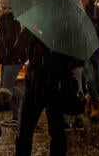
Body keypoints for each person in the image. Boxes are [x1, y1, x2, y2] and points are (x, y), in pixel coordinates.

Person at [13, 28, 76, 156]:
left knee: (26, 128)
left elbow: (19, 52)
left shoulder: (35, 24)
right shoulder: (64, 28)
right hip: (56, 83)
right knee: (57, 128)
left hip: (37, 83)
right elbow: (73, 59)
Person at [0, 0, 24, 126]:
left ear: (4, 6)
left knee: (7, 87)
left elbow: (10, 40)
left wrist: (0, 43)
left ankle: (24, 101)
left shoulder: (9, 18)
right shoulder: (4, 18)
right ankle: (16, 116)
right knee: (4, 87)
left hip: (12, 58)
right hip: (7, 58)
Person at [79, 0, 99, 121]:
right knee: (89, 78)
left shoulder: (98, 11)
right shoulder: (77, 11)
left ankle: (89, 98)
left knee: (98, 79)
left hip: (96, 48)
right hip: (84, 49)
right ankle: (96, 106)